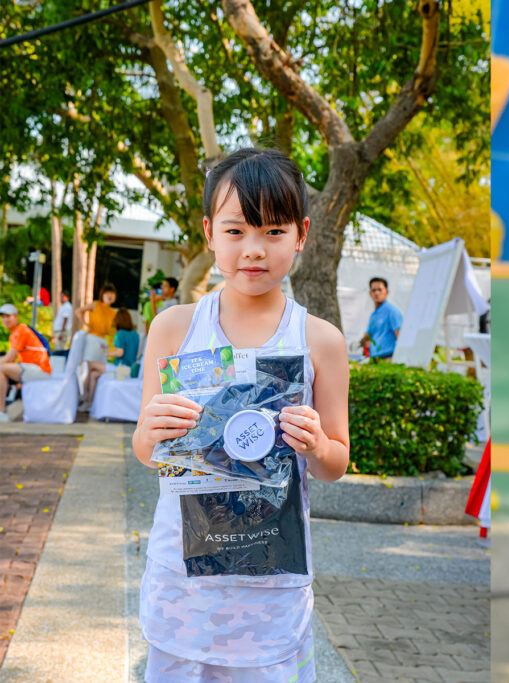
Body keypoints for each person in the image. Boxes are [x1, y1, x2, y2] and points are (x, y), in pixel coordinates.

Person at [132, 147, 349, 682]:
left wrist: (318, 445)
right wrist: (152, 432)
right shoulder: (174, 328)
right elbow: (146, 451)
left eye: (273, 231)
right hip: (184, 580)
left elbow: (335, 463)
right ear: (209, 233)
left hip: (271, 586)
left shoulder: (320, 340)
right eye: (235, 231)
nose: (253, 249)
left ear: (301, 234)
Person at [0, 303, 51, 423]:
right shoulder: (16, 332)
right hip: (31, 368)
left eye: (8, 316)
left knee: (1, 369)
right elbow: (11, 360)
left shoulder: (21, 330)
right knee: (2, 369)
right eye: (3, 317)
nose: (5, 319)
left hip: (40, 369)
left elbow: (10, 357)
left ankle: (2, 412)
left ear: (16, 317)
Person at [76, 282, 117, 410]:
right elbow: (78, 311)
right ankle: (83, 398)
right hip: (92, 339)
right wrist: (85, 324)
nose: (110, 296)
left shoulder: (113, 312)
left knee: (96, 373)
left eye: (112, 294)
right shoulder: (96, 304)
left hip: (103, 342)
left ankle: (90, 401)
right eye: (107, 293)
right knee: (87, 369)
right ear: (102, 294)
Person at [358, 277, 402, 361]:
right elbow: (368, 335)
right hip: (374, 358)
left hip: (388, 357)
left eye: (380, 290)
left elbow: (400, 337)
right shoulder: (373, 315)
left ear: (386, 291)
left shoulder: (392, 312)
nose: (376, 293)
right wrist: (359, 343)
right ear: (370, 293)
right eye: (373, 290)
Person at [111, 307, 140, 377]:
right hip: (132, 369)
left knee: (94, 370)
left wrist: (106, 353)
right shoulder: (135, 334)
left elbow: (120, 353)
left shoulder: (120, 333)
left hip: (121, 368)